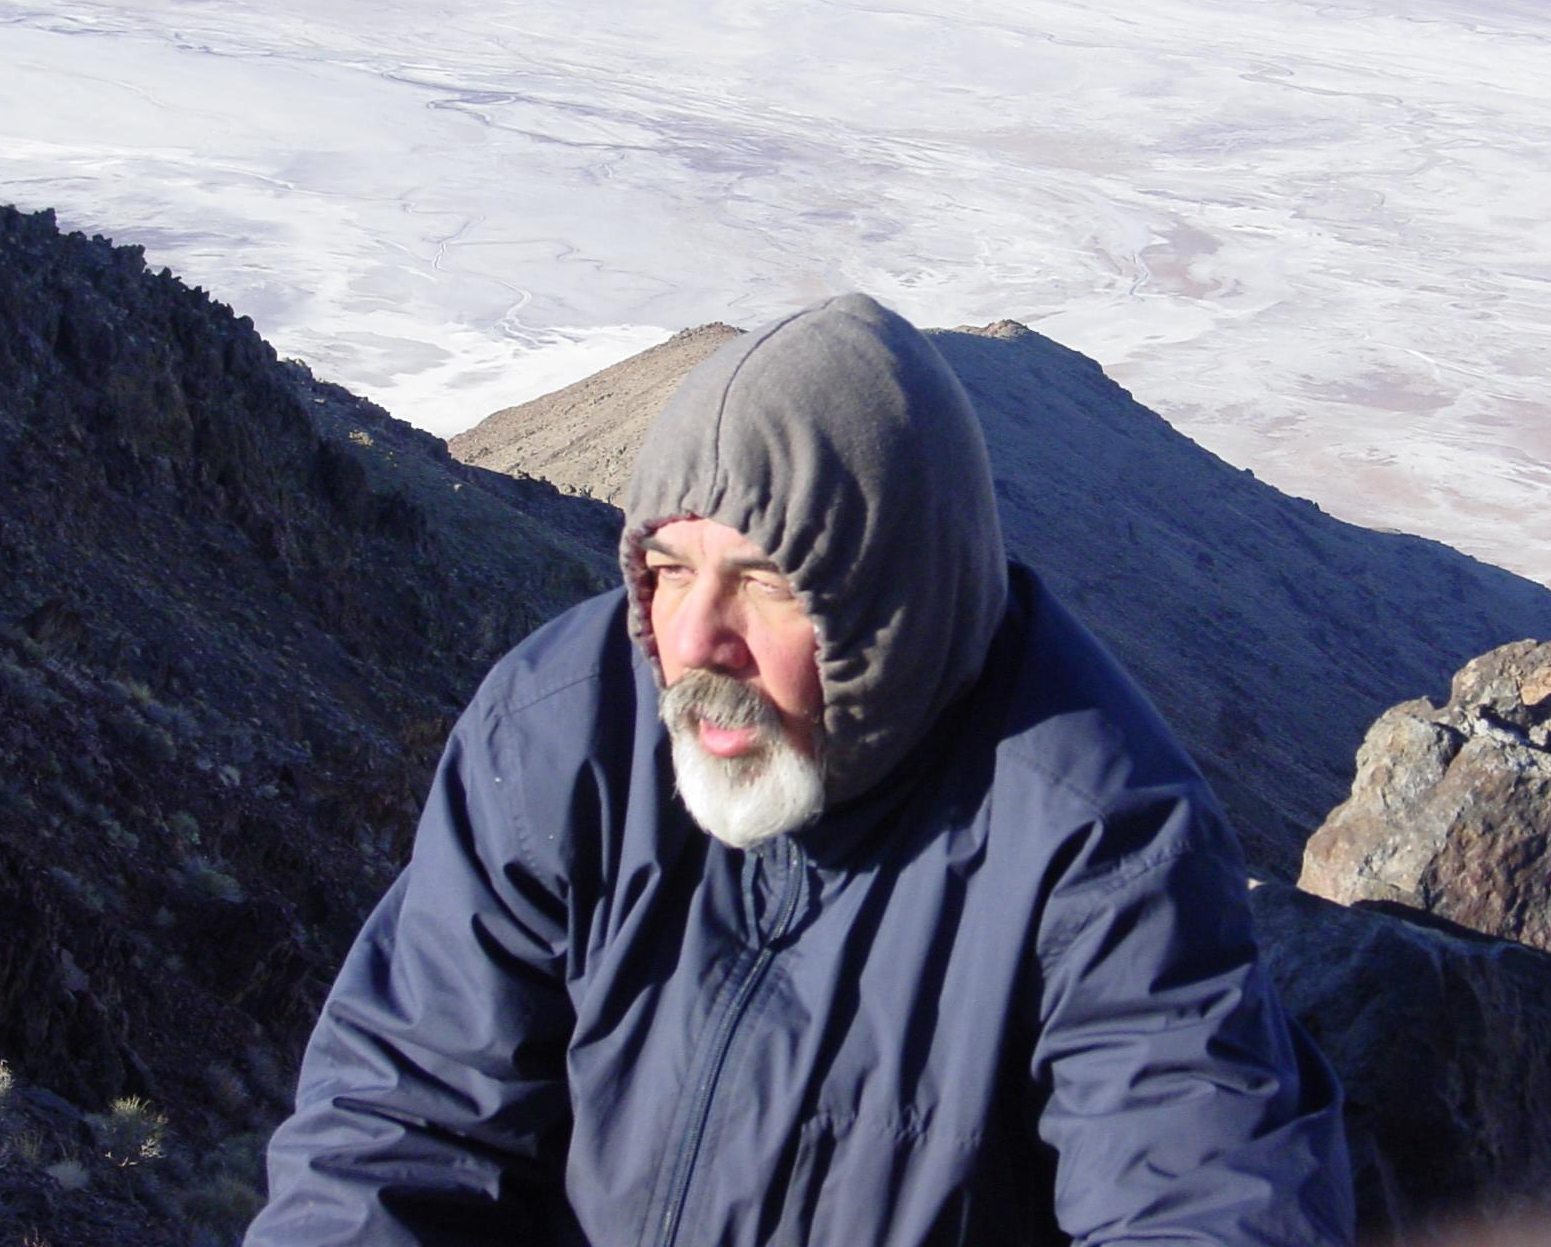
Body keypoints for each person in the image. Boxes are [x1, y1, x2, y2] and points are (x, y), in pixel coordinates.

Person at [248, 293, 1353, 1246]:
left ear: (892, 606)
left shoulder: (1093, 839)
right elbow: (401, 1124)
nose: (693, 644)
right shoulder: (562, 732)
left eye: (766, 584)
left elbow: (1196, 1187)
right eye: (669, 570)